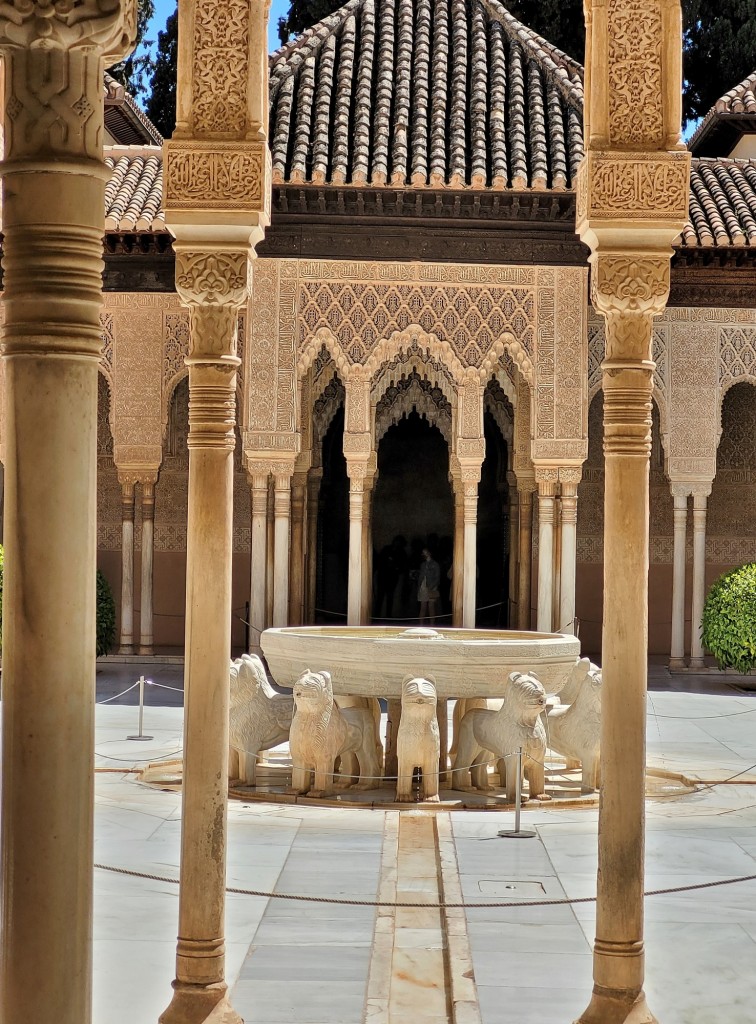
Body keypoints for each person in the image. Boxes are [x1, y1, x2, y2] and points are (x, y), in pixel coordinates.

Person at [417, 547, 441, 624]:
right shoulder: (423, 564)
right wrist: (419, 586)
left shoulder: (435, 564)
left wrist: (433, 586)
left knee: (431, 607)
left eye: (425, 552)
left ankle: (432, 624)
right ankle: (421, 624)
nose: (424, 554)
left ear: (429, 553)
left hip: (432, 586)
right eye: (423, 553)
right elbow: (421, 576)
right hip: (423, 586)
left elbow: (437, 577)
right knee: (423, 606)